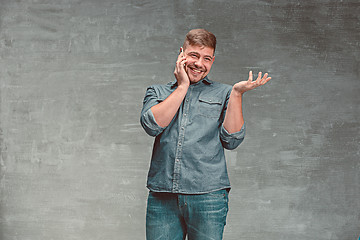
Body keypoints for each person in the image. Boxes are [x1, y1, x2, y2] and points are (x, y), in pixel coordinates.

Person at [140, 29, 271, 240]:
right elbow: (152, 125)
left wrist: (236, 94)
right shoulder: (157, 92)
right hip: (163, 196)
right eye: (194, 55)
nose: (199, 64)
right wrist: (183, 86)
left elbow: (232, 140)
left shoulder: (224, 93)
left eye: (206, 58)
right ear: (181, 53)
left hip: (208, 197)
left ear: (212, 61)